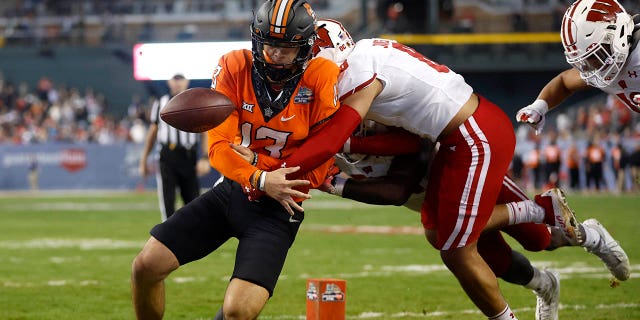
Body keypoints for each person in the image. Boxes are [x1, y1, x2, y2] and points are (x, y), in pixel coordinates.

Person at [243, 18, 630, 320]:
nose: (304, 77)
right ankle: (564, 262)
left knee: (465, 245)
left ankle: (546, 214)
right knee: (501, 241)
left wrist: (277, 170)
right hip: (453, 148)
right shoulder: (345, 77)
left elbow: (359, 146)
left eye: (308, 64)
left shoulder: (355, 78)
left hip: (470, 138)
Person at [130, 1, 356, 319]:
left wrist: (259, 165)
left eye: (286, 48)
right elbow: (219, 148)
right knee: (145, 266)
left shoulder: (321, 75)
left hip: (279, 210)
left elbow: (320, 161)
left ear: (304, 47)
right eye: (270, 45)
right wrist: (261, 176)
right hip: (233, 191)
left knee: (238, 311)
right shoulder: (235, 66)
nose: (276, 55)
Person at [515, 0, 640, 136]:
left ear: (618, 33)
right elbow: (564, 82)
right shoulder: (602, 67)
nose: (591, 67)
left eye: (594, 56)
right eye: (584, 61)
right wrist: (539, 107)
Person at [139, 73, 211, 221]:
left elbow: (204, 131)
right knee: (168, 203)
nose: (178, 83)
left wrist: (205, 157)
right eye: (175, 79)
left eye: (181, 79)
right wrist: (144, 160)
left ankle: (191, 240)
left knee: (193, 204)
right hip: (168, 156)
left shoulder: (196, 102)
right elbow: (153, 133)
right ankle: (168, 241)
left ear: (188, 81)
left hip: (189, 156)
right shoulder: (160, 103)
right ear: (168, 81)